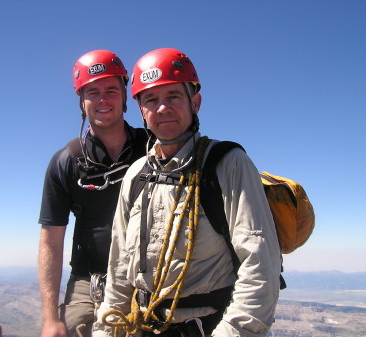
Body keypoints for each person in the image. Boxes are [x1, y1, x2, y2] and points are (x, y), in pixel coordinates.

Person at [92, 48, 281, 337]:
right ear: (141, 110)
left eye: (173, 97)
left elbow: (260, 263)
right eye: (151, 100)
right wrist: (106, 330)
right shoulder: (136, 175)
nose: (162, 108)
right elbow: (119, 265)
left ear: (195, 102)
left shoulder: (227, 163)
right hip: (142, 326)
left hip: (209, 328)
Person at [38, 50, 149, 337]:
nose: (103, 99)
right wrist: (51, 318)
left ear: (125, 97)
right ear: (82, 102)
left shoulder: (153, 150)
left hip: (149, 278)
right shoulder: (66, 162)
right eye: (93, 92)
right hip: (90, 284)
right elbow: (51, 241)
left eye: (112, 90)